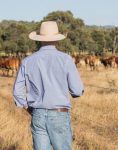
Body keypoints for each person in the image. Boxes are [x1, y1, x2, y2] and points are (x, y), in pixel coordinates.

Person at [13, 21, 84, 150]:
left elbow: (17, 92)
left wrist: (29, 109)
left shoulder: (27, 61)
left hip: (37, 115)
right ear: (57, 39)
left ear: (39, 39)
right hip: (59, 115)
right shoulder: (65, 59)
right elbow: (77, 91)